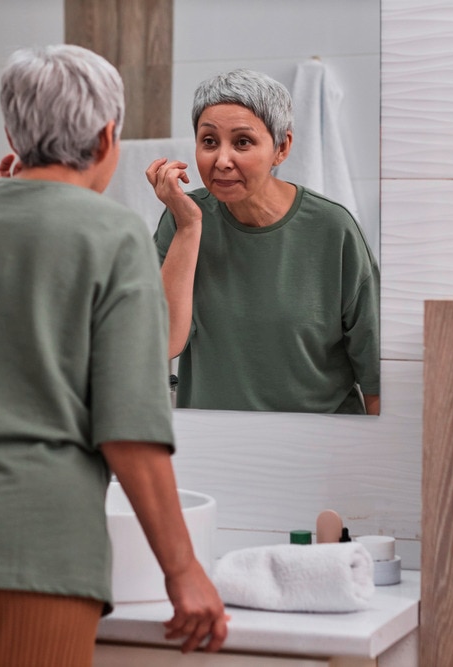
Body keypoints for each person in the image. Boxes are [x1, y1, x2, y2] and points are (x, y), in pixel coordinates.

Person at [0, 44, 228, 666]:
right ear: (109, 135)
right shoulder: (114, 235)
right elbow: (130, 426)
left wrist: (5, 194)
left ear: (12, 131)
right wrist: (183, 569)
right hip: (34, 545)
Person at [147, 68, 380, 415]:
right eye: (209, 141)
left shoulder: (334, 229)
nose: (222, 161)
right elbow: (160, 343)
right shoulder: (184, 220)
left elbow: (376, 378)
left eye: (242, 142)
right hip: (216, 443)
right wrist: (189, 227)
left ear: (281, 147)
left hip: (324, 448)